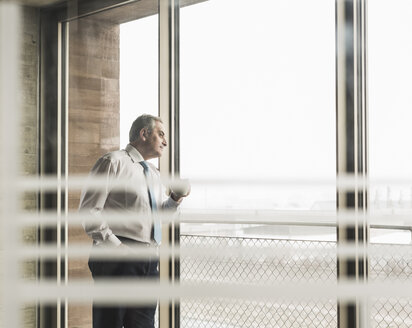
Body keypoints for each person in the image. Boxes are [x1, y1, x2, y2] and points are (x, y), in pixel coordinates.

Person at [79, 114, 189, 328]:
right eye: (161, 134)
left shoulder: (154, 174)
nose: (165, 142)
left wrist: (174, 201)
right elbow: (89, 212)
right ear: (144, 134)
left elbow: (155, 220)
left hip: (148, 260)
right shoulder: (113, 162)